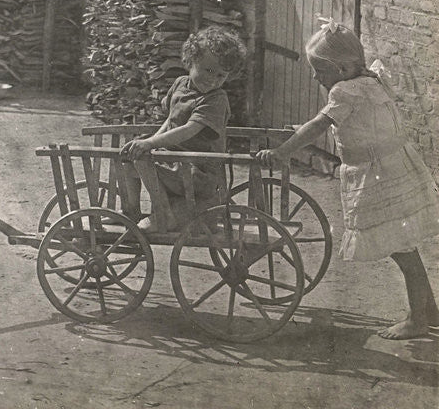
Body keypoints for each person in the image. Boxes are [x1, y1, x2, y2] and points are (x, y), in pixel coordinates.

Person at [257, 18, 439, 339]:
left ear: (339, 71)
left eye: (319, 71)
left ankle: (417, 318)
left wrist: (284, 150)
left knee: (400, 247)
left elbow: (318, 125)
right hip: (396, 166)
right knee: (405, 243)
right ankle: (429, 311)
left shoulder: (344, 90)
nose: (315, 77)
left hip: (378, 176)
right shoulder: (373, 79)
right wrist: (297, 135)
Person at [118, 25, 248, 232]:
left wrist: (150, 143)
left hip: (198, 172)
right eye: (208, 70)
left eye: (221, 75)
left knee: (142, 159)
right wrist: (148, 143)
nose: (213, 79)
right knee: (128, 157)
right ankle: (130, 213)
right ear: (190, 61)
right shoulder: (180, 84)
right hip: (176, 164)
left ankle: (163, 215)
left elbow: (189, 129)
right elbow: (170, 120)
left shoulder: (215, 99)